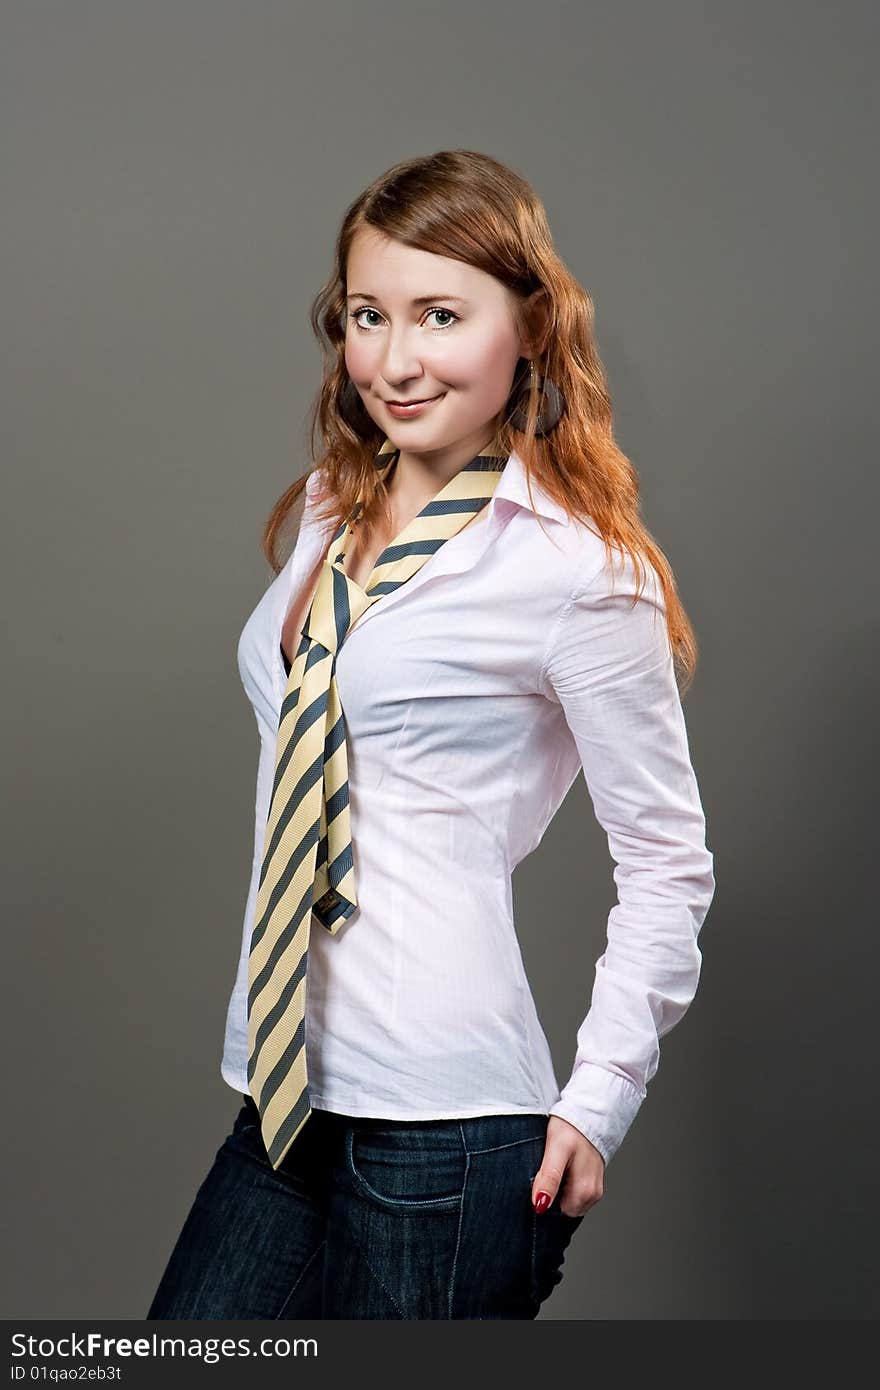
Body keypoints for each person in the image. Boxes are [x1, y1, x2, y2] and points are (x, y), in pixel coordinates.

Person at [146, 149, 715, 1320]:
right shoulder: (328, 509)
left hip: (445, 1135)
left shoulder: (574, 573)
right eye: (368, 316)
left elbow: (666, 863)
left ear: (529, 327)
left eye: (439, 316)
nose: (394, 361)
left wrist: (597, 1095)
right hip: (284, 1086)